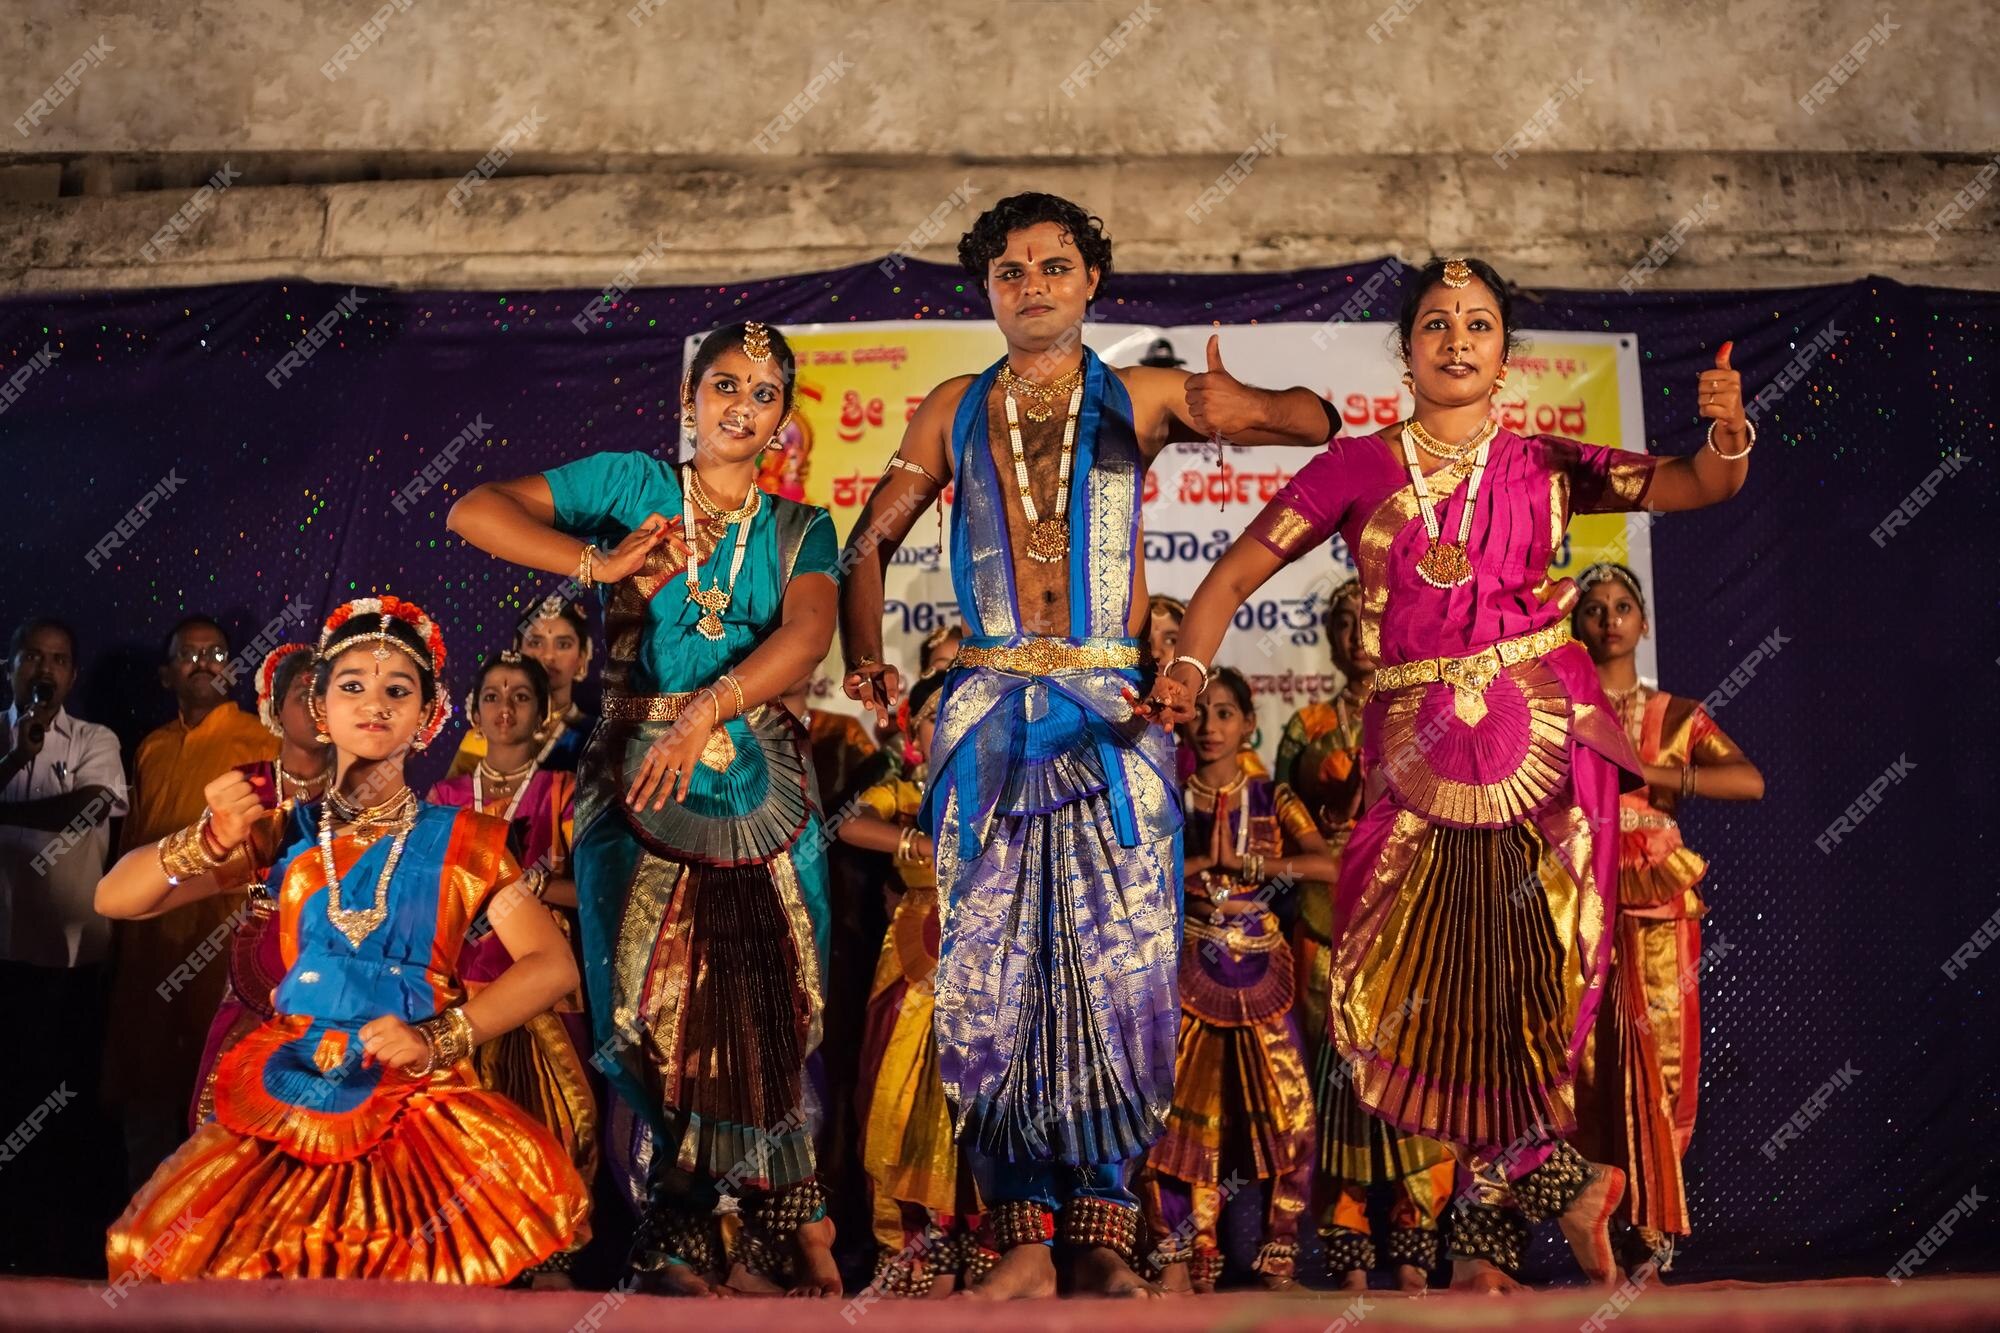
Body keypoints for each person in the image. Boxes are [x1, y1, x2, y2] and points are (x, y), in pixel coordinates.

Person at [1144, 256, 1758, 1291]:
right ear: (1406, 348)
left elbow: (1699, 485)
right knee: (1400, 993)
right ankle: (1557, 1177)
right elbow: (1237, 570)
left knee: (1519, 990)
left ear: (1504, 353)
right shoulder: (1352, 469)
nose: (1457, 338)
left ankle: (1517, 1205)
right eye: (1435, 322)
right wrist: (1188, 666)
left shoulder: (1552, 463)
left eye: (1477, 323)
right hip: (1414, 750)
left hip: (1541, 746)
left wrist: (1727, 433)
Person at [836, 192, 1341, 1298]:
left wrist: (1235, 400)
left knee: (1118, 973)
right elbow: (865, 543)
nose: (1031, 285)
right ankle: (1023, 1232)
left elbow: (1314, 424)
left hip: (1117, 713)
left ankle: (1103, 1230)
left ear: (1091, 282)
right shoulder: (950, 408)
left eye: (1052, 266)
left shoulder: (1146, 394)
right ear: (986, 290)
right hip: (984, 716)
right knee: (994, 972)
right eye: (1008, 271)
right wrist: (866, 652)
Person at [447, 319, 845, 1297]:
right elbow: (472, 509)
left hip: (761, 786)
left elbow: (804, 637)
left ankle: (716, 1233)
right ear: (689, 399)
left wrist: (709, 705)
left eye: (760, 393)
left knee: (762, 1007)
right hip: (635, 771)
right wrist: (597, 566)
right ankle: (742, 1230)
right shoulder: (632, 486)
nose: (739, 407)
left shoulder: (802, 528)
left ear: (782, 418)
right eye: (723, 385)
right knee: (643, 1006)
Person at [97, 595, 588, 1283]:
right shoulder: (283, 833)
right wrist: (204, 841)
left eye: (398, 689)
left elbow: (552, 964)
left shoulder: (465, 842)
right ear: (320, 709)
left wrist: (441, 1036)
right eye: (352, 685)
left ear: (429, 715)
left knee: (400, 1282)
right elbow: (115, 895)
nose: (375, 703)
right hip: (290, 1090)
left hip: (416, 1096)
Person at [1570, 562, 1764, 1273]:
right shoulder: (1560, 713)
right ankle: (1603, 1211)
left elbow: (1749, 779)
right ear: (1576, 624)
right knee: (1589, 1064)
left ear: (1643, 623)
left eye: (1623, 606)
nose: (1610, 618)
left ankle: (1653, 1220)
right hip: (1581, 897)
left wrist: (1650, 776)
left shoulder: (1677, 715)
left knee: (1664, 1057)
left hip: (1656, 899)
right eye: (1594, 608)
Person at [1273, 580, 1454, 1291]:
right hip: (1325, 914)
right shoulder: (1308, 722)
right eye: (1341, 622)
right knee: (1335, 1080)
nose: (1355, 634)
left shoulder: (1427, 712)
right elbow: (1281, 796)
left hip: (1410, 906)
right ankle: (1347, 1246)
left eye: (1367, 620)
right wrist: (1321, 842)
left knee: (1417, 1071)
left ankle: (1414, 1244)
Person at [1142, 668, 1332, 1293]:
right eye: (1201, 713)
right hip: (1189, 965)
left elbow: (1324, 866)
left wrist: (1250, 865)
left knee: (1292, 1113)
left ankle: (1279, 1259)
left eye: (1225, 713)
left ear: (1250, 723)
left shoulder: (1273, 795)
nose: (1211, 726)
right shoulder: (1168, 791)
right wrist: (1199, 864)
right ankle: (1185, 1259)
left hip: (1261, 968)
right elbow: (1137, 869)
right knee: (1180, 1120)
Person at [428, 649, 596, 1288]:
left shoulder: (565, 792)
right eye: (492, 695)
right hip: (459, 983)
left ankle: (552, 1251)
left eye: (521, 696)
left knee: (557, 1118)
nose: (505, 708)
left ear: (544, 711)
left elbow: (599, 894)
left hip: (545, 982)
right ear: (472, 711)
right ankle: (479, 1249)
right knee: (471, 1117)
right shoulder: (442, 797)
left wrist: (528, 889)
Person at [105, 615, 278, 1184]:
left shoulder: (260, 742)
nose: (204, 663)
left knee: (215, 1090)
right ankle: (143, 1233)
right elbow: (132, 845)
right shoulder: (151, 748)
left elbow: (270, 852)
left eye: (216, 653)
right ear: (165, 674)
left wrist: (259, 927)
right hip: (151, 943)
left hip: (221, 942)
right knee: (147, 1093)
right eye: (189, 654)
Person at [839, 671, 982, 1296]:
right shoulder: (902, 791)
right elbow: (846, 823)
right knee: (891, 1097)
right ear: (917, 734)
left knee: (972, 1101)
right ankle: (902, 1245)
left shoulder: (997, 792)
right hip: (907, 961)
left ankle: (975, 1244)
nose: (946, 726)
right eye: (933, 716)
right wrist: (920, 843)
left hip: (985, 958)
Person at [0, 617, 128, 1276]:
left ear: (73, 675)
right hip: (1, 949)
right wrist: (17, 759)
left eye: (59, 657)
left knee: (57, 1105)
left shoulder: (96, 739)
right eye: (33, 655)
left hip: (68, 957)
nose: (45, 668)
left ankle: (51, 1254)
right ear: (11, 664)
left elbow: (89, 808)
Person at [187, 643, 332, 1131]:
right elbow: (206, 868)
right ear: (273, 709)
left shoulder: (359, 790)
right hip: (252, 961)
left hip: (331, 965)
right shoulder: (245, 787)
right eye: (300, 693)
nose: (314, 705)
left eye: (324, 692)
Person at [445, 596, 597, 777]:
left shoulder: (596, 736)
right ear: (517, 650)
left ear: (581, 657)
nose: (548, 656)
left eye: (563, 644)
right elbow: (451, 801)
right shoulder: (485, 735)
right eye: (535, 643)